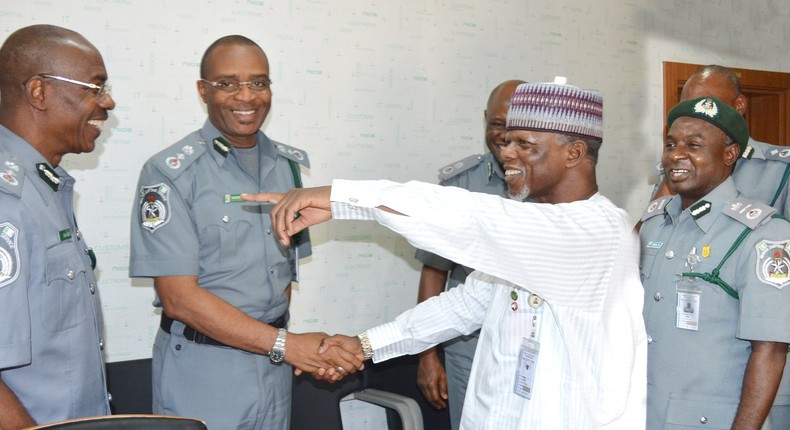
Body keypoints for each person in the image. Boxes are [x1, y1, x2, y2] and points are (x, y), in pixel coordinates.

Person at [244, 79, 648, 429]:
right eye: (507, 141)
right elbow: (464, 305)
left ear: (574, 153)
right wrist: (364, 345)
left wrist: (343, 198)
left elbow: (470, 217)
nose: (507, 153)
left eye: (525, 144)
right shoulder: (533, 223)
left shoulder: (596, 233)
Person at [128, 35, 361, 430]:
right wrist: (288, 347)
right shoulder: (169, 173)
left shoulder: (286, 168)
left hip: (273, 368)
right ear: (203, 90)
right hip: (203, 373)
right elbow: (178, 299)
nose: (246, 96)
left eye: (259, 82)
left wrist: (296, 350)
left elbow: (281, 275)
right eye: (228, 83)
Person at [639, 96, 790, 428]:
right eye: (670, 144)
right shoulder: (653, 224)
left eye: (694, 145)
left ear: (729, 154)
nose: (676, 155)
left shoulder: (761, 235)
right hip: (646, 414)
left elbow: (771, 350)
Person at [0, 24, 115, 427]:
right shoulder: (6, 200)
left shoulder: (43, 187)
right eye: (95, 87)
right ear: (39, 92)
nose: (109, 102)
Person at [414, 79, 523, 428]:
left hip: (532, 345)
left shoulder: (553, 184)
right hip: (468, 346)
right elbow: (434, 271)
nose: (504, 136)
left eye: (515, 126)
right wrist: (427, 353)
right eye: (495, 124)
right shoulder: (460, 185)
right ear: (484, 120)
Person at [652, 65, 790, 214]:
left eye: (707, 106)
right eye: (687, 108)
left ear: (739, 106)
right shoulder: (675, 166)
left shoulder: (781, 169)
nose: (694, 117)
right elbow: (644, 234)